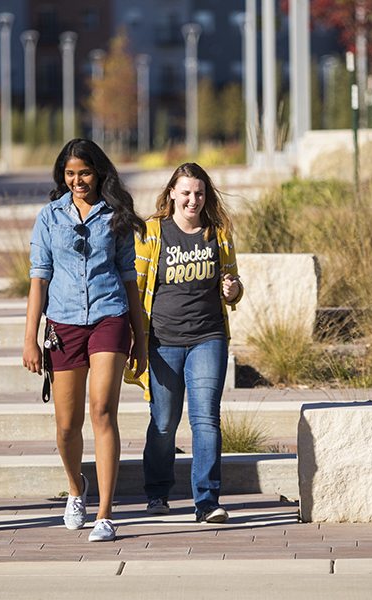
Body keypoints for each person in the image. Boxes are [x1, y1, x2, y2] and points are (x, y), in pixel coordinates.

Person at [22, 138, 146, 543]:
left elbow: (130, 279)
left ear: (99, 173)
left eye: (85, 172)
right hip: (63, 325)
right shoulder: (49, 217)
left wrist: (140, 339)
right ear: (63, 175)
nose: (77, 180)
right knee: (65, 426)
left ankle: (106, 515)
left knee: (102, 413)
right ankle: (77, 489)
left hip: (110, 318)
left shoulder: (116, 215)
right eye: (70, 173)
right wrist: (29, 339)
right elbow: (39, 280)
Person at [125, 162, 243, 524]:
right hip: (162, 342)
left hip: (208, 338)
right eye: (187, 192)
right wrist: (134, 336)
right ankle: (158, 492)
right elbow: (136, 286)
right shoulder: (150, 233)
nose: (193, 199)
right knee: (163, 422)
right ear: (172, 193)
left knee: (205, 419)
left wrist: (234, 290)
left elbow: (233, 284)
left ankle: (207, 501)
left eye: (200, 193)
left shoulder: (218, 233)